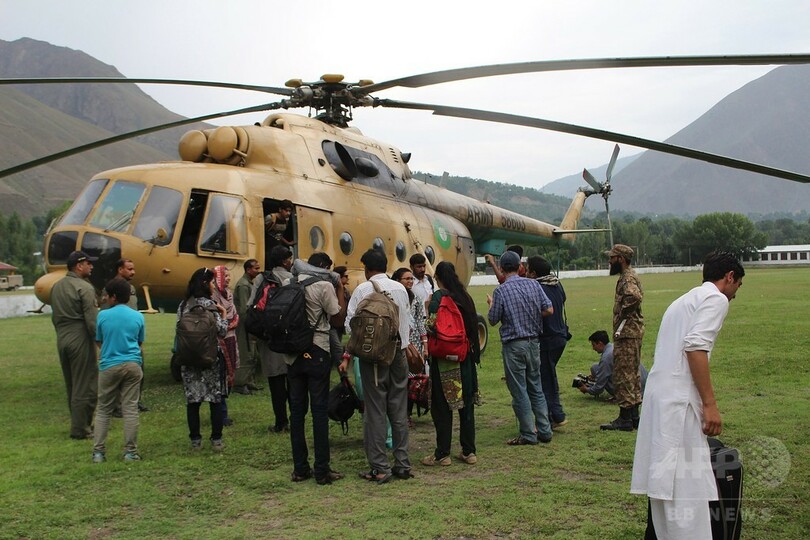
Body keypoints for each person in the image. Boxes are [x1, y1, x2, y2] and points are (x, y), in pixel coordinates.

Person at [631, 252, 744, 539]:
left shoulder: (683, 300)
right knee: (686, 488)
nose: (735, 294)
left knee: (666, 486)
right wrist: (710, 405)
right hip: (679, 402)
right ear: (730, 277)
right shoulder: (715, 299)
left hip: (660, 398)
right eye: (738, 286)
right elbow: (695, 347)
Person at [340, 249, 412, 484]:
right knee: (399, 408)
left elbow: (350, 326)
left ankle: (380, 467)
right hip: (399, 353)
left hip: (373, 358)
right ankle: (402, 464)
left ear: (366, 268)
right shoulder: (400, 288)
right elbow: (406, 322)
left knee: (375, 410)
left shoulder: (363, 290)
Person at [287, 252, 348, 485]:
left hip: (292, 354)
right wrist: (339, 288)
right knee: (319, 411)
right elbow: (337, 319)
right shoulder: (324, 285)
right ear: (324, 266)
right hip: (317, 350)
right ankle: (322, 469)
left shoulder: (289, 282)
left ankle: (300, 469)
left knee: (297, 412)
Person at [487, 250, 554, 445]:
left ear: (501, 268)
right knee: (536, 387)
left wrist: (492, 304)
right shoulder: (534, 284)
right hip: (533, 342)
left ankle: (528, 434)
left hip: (514, 344)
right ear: (520, 267)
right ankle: (545, 430)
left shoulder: (501, 291)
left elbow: (492, 319)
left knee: (519, 390)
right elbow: (549, 309)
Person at [422, 261, 480, 466]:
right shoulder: (465, 297)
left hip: (443, 362)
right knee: (467, 406)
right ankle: (469, 452)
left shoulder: (438, 298)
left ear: (437, 278)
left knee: (442, 408)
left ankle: (442, 454)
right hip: (465, 359)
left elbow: (431, 327)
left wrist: (427, 308)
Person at [92, 278, 145, 463]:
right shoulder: (138, 316)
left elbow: (99, 339)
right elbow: (139, 341)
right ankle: (131, 452)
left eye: (107, 295)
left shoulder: (103, 316)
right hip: (132, 365)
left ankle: (98, 452)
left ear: (113, 297)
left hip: (109, 365)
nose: (105, 298)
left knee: (103, 409)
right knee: (130, 409)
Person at [178, 268, 229, 451]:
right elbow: (222, 332)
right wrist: (224, 315)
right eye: (212, 282)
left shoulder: (184, 305)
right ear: (205, 284)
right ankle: (216, 439)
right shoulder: (211, 306)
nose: (214, 285)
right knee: (215, 399)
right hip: (210, 358)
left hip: (189, 358)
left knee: (193, 401)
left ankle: (195, 440)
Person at [50, 250, 99, 440]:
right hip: (80, 337)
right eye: (88, 263)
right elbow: (92, 322)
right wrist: (101, 343)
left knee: (71, 383)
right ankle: (81, 429)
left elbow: (55, 316)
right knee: (85, 384)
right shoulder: (84, 287)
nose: (91, 266)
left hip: (62, 337)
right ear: (79, 266)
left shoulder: (57, 286)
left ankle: (80, 422)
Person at [601, 244, 645, 431]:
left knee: (623, 375)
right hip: (631, 332)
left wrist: (623, 314)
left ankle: (625, 419)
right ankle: (634, 416)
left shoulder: (627, 278)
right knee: (632, 374)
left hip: (627, 333)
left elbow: (634, 297)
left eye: (612, 258)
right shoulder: (630, 275)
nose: (610, 261)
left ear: (621, 259)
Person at [527, 256, 569, 429]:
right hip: (560, 336)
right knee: (549, 376)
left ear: (533, 273)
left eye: (528, 270)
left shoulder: (537, 287)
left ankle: (555, 416)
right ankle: (555, 415)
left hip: (547, 339)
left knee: (545, 380)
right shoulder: (557, 284)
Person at [259, 245, 294, 433]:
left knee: (276, 384)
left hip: (270, 339)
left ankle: (281, 422)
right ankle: (296, 419)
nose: (291, 261)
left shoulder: (262, 279)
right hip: (290, 339)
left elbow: (252, 306)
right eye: (289, 258)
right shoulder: (293, 279)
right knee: (294, 382)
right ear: (284, 261)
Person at [391, 267, 428, 426]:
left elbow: (420, 322)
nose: (410, 281)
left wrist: (425, 345)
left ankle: (407, 414)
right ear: (397, 280)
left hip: (414, 345)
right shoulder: (392, 297)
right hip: (398, 343)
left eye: (411, 279)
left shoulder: (417, 299)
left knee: (413, 381)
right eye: (407, 279)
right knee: (400, 380)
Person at [578, 330, 648, 398]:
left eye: (594, 345)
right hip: (645, 386)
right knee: (596, 367)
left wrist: (587, 389)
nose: (593, 348)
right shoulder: (615, 346)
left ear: (600, 343)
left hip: (633, 391)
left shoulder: (606, 357)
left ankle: (621, 395)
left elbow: (599, 388)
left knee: (596, 369)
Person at [211, 266, 239, 427]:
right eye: (225, 276)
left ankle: (222, 410)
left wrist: (230, 322)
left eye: (229, 276)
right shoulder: (213, 296)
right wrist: (227, 322)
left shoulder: (229, 294)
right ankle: (221, 414)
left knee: (229, 373)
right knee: (221, 375)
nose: (228, 279)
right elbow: (219, 321)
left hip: (231, 338)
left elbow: (234, 315)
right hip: (220, 341)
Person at [233, 259, 263, 395]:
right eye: (256, 268)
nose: (258, 271)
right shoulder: (244, 285)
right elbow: (245, 309)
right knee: (245, 353)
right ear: (248, 269)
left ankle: (249, 381)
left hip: (248, 323)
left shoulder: (249, 283)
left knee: (252, 353)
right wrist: (251, 326)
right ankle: (240, 384)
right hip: (244, 324)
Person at [328, 266, 352, 367]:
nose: (348, 278)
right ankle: (343, 374)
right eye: (345, 276)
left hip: (340, 326)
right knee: (338, 349)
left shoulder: (346, 291)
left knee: (334, 351)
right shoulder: (331, 290)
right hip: (331, 325)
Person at [264, 199, 295, 267]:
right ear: (280, 209)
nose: (288, 213)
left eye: (290, 211)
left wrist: (287, 243)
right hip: (268, 246)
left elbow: (279, 234)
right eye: (286, 210)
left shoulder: (286, 220)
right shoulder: (271, 218)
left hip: (277, 246)